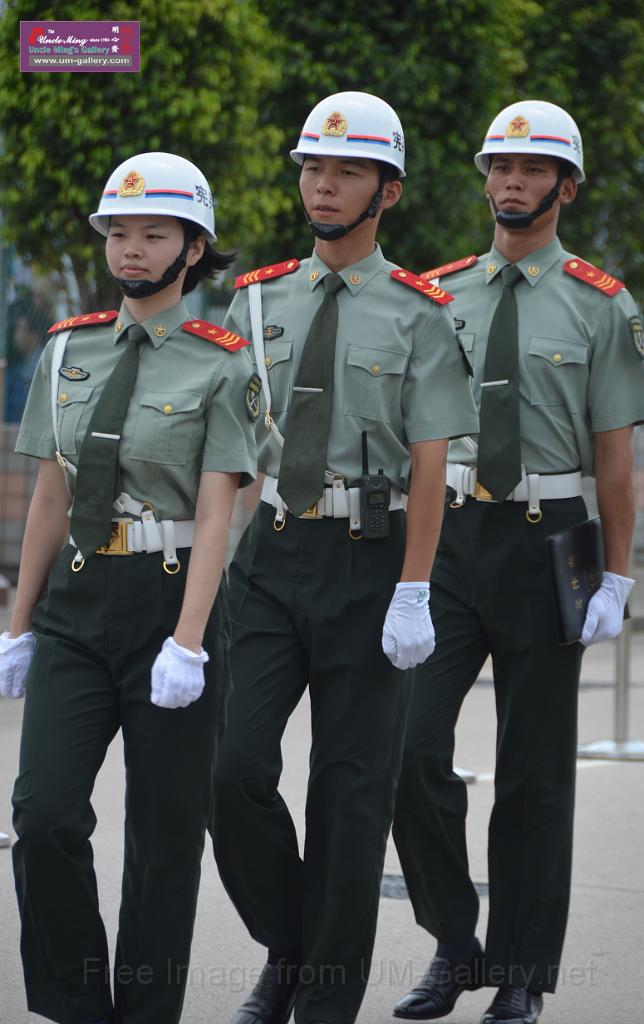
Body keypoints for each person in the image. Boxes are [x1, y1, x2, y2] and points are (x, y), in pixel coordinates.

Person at [210, 91, 478, 1024]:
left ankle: (321, 1001)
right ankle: (290, 944)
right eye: (314, 169)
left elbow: (436, 459)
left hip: (373, 564)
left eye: (347, 172)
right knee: (231, 769)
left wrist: (415, 590)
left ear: (387, 191)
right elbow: (233, 451)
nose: (323, 186)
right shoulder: (255, 297)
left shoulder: (423, 313)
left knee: (350, 795)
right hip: (270, 556)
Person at [391, 100, 644, 1024]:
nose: (510, 182)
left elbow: (616, 455)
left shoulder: (600, 301)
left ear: (564, 186)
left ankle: (522, 976)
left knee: (536, 771)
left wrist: (618, 575)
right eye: (499, 167)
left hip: (555, 537)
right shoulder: (435, 295)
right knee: (406, 750)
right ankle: (457, 942)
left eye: (531, 169)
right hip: (450, 532)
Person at [0, 151, 257, 1024]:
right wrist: (18, 622)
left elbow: (221, 513)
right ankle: (78, 1006)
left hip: (171, 600)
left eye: (154, 233)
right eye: (119, 231)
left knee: (164, 837)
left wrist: (189, 642)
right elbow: (50, 495)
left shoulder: (222, 363)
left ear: (193, 248)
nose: (132, 248)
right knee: (43, 816)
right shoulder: (67, 350)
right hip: (76, 603)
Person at [3, 291, 54, 423]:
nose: (16, 335)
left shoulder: (40, 359)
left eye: (21, 329)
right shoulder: (22, 362)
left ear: (34, 335)